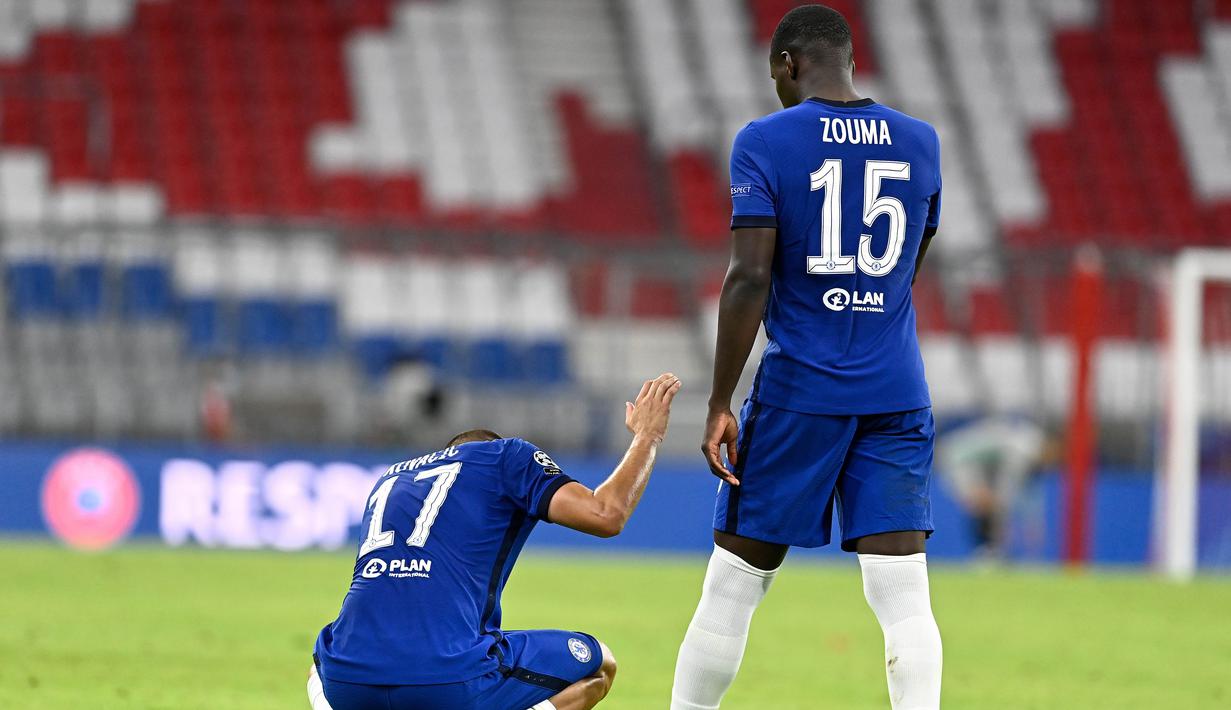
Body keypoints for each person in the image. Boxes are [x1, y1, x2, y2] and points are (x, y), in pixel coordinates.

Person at [670, 6, 944, 709]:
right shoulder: (921, 141)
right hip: (894, 390)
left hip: (800, 392)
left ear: (788, 64)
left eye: (776, 75)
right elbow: (906, 266)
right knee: (903, 592)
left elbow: (748, 278)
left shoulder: (765, 140)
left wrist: (719, 402)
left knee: (734, 584)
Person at [308, 372, 682, 710]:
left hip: (346, 681)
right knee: (598, 665)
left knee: (320, 665)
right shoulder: (505, 457)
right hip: (446, 678)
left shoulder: (390, 478)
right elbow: (605, 514)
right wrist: (647, 435)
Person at [937, 415, 1053, 559]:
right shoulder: (1022, 452)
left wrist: (1031, 521)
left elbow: (1027, 488)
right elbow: (1007, 488)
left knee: (989, 503)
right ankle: (988, 549)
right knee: (983, 502)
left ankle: (992, 548)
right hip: (957, 459)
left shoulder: (1030, 447)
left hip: (977, 462)